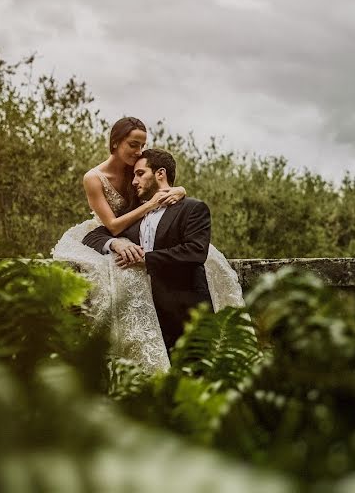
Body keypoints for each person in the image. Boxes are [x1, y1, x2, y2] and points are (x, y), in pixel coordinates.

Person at [51, 118, 243, 371]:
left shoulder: (145, 175)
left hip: (169, 278)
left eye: (142, 145)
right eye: (133, 144)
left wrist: (179, 190)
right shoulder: (96, 178)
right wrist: (121, 237)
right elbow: (113, 226)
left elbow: (162, 182)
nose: (138, 151)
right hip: (118, 228)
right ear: (116, 142)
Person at [83, 149, 215, 351]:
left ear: (160, 174)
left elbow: (195, 251)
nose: (134, 181)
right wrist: (117, 243)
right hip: (146, 320)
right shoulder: (132, 213)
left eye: (140, 173)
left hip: (186, 314)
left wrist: (145, 258)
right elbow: (92, 236)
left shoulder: (193, 208)